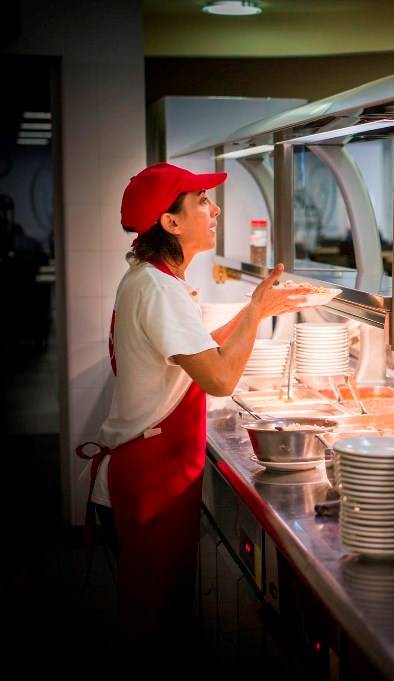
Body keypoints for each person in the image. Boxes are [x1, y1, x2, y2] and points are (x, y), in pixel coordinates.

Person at [75, 163, 311, 644]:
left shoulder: (155, 277)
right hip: (150, 478)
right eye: (202, 199)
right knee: (155, 627)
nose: (215, 207)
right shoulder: (158, 289)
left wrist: (254, 311)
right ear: (171, 223)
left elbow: (202, 348)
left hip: (154, 470)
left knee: (159, 615)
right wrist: (258, 312)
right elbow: (221, 377)